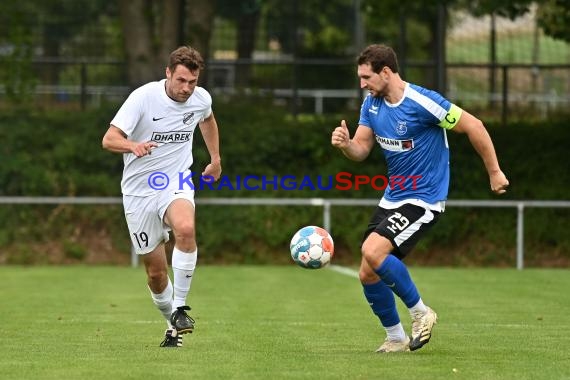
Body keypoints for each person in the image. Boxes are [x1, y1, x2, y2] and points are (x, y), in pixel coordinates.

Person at [331, 44, 509, 353]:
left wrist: (494, 172)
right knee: (367, 271)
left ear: (386, 72)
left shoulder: (423, 102)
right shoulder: (371, 104)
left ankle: (421, 312)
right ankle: (396, 337)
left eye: (366, 77)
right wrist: (346, 145)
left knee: (372, 250)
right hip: (393, 198)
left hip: (424, 198)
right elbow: (361, 149)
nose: (362, 84)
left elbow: (474, 125)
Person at [102, 46, 222, 348]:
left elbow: (207, 119)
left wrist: (216, 158)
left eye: (192, 82)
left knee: (185, 228)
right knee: (156, 273)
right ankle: (172, 322)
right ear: (168, 73)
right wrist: (133, 146)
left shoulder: (200, 99)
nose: (186, 89)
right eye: (181, 80)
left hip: (175, 180)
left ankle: (181, 307)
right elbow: (109, 139)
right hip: (138, 191)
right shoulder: (143, 98)